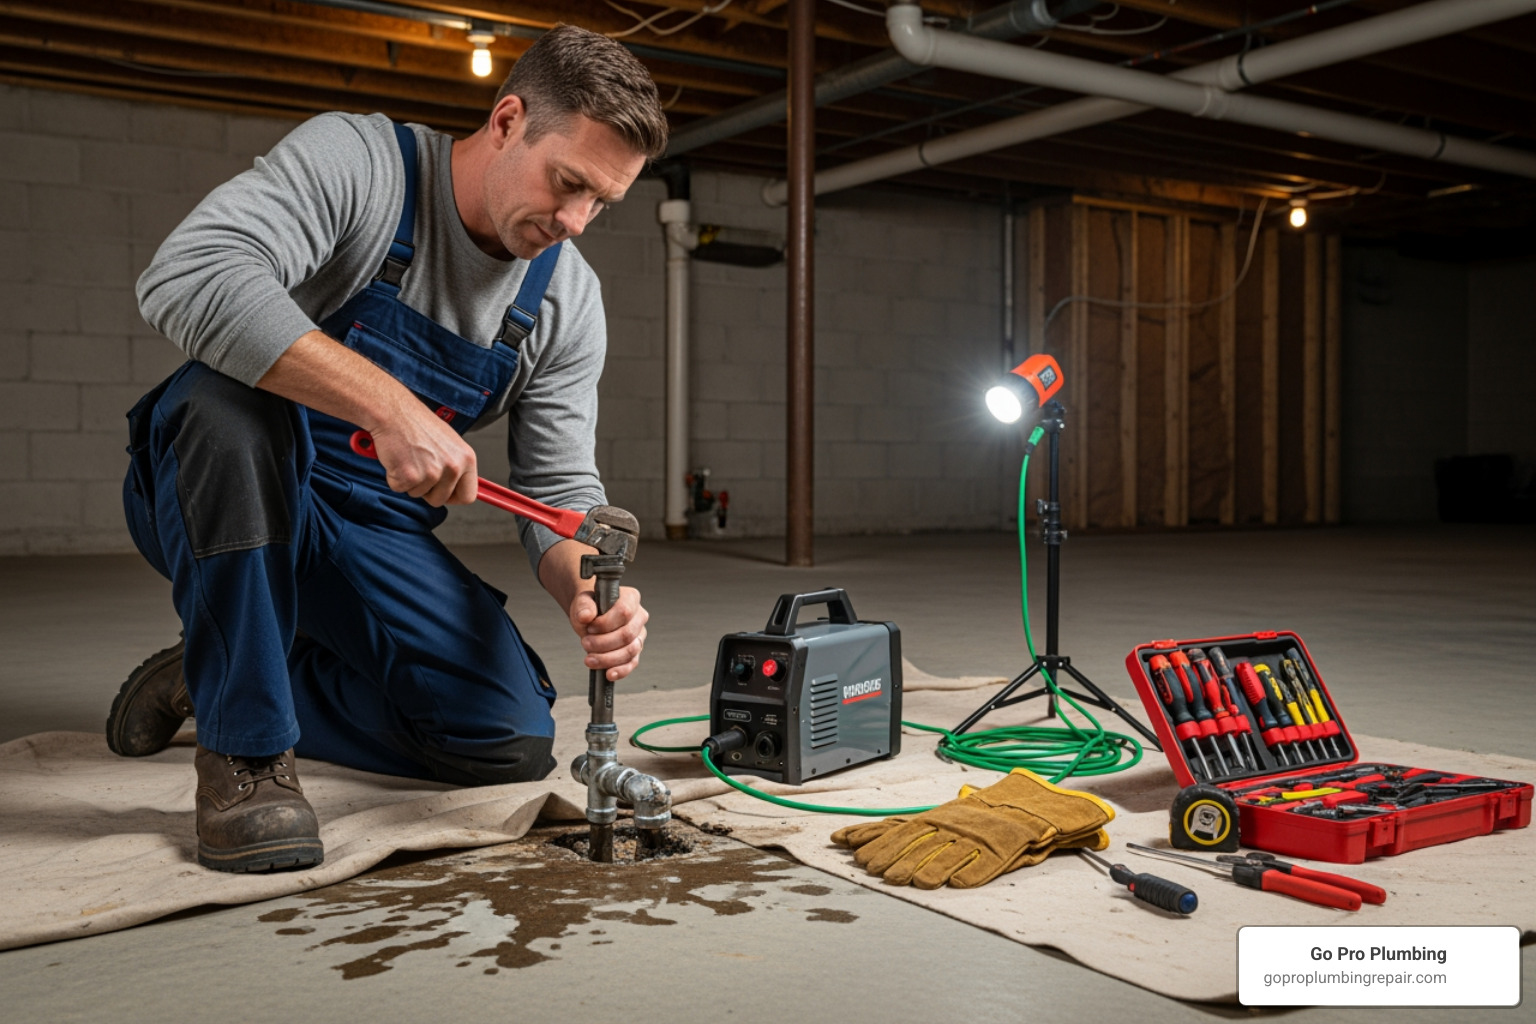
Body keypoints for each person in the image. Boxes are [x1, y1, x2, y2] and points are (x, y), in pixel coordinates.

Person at [106, 25, 668, 874]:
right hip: (219, 486)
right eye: (568, 184)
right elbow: (190, 272)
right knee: (225, 401)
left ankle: (218, 669)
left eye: (602, 203)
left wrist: (584, 585)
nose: (576, 222)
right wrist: (388, 404)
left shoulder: (566, 299)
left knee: (506, 738)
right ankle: (245, 754)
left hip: (369, 529)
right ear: (508, 120)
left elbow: (555, 486)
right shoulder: (363, 165)